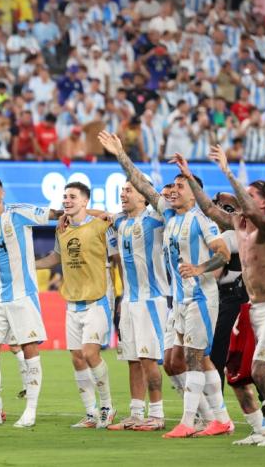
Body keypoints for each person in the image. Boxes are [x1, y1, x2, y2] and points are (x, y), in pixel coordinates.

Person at [97, 130, 233, 439]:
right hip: (179, 300)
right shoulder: (169, 215)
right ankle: (217, 418)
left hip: (201, 297)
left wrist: (199, 267)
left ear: (194, 190)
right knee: (173, 361)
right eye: (170, 186)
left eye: (179, 186)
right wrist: (120, 154)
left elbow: (223, 253)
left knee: (196, 359)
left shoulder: (201, 218)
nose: (171, 190)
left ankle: (193, 421)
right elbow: (142, 184)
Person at [173, 149, 265, 446]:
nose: (244, 200)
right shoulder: (240, 224)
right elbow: (209, 210)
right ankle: (259, 430)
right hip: (249, 308)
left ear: (263, 202)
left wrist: (228, 173)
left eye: (251, 195)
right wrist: (189, 177)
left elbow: (250, 210)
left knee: (262, 371)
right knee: (236, 374)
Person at [0, 177, 61, 428]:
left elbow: (56, 214)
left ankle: (30, 410)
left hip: (24, 296)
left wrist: (92, 214)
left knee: (30, 349)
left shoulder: (19, 213)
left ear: (2, 192)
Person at [36, 182, 117, 429]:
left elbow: (115, 259)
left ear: (85, 201)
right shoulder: (62, 229)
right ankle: (91, 413)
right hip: (72, 302)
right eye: (64, 197)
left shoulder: (103, 225)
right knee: (77, 358)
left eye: (72, 197)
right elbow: (55, 258)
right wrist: (29, 263)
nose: (66, 200)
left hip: (98, 299)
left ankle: (107, 407)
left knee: (90, 353)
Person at [106, 181, 170, 431]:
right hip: (130, 301)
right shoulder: (120, 222)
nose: (123, 194)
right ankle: (135, 413)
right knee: (132, 359)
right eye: (122, 190)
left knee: (148, 359)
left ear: (144, 197)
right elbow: (102, 215)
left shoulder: (156, 221)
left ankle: (157, 414)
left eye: (129, 190)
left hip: (151, 301)